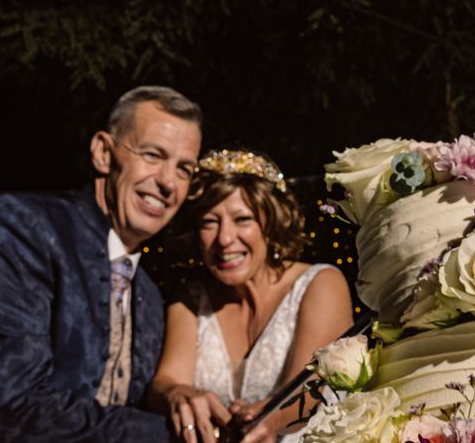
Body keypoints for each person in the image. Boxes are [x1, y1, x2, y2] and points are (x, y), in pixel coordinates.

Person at [0, 86, 202, 442]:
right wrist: (176, 436)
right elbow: (18, 413)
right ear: (103, 153)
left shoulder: (148, 296)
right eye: (152, 155)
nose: (168, 182)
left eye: (184, 169)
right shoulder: (22, 228)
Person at [150, 150, 354, 443]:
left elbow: (310, 390)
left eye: (242, 219)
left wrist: (271, 420)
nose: (224, 239)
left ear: (271, 224)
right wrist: (176, 394)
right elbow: (166, 381)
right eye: (209, 222)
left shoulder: (320, 284)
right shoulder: (190, 298)